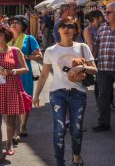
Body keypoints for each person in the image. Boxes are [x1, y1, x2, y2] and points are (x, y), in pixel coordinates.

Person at [34, 16, 97, 166]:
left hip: (78, 93)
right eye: (63, 26)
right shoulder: (50, 50)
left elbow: (94, 70)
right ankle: (59, 163)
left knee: (76, 130)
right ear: (58, 29)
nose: (66, 29)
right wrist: (36, 95)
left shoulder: (82, 47)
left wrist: (81, 67)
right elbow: (44, 74)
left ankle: (76, 156)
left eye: (70, 26)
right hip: (58, 93)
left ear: (75, 30)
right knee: (59, 129)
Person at [0, 24, 28, 164]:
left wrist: (12, 71)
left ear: (6, 36)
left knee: (11, 120)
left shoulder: (15, 51)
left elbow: (25, 69)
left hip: (11, 87)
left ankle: (9, 143)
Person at [8, 15, 41, 140]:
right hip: (10, 74)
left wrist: (25, 57)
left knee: (25, 100)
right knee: (12, 103)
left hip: (24, 74)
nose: (14, 25)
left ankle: (23, 126)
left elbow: (39, 55)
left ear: (23, 26)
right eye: (12, 23)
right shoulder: (7, 38)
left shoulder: (29, 38)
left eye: (17, 23)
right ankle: (15, 131)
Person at [93, 1, 115, 132]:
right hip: (103, 68)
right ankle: (104, 122)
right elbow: (96, 45)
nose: (105, 14)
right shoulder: (102, 28)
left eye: (108, 12)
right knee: (103, 96)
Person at [82, 10, 104, 98]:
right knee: (99, 83)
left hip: (102, 58)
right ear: (96, 18)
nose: (103, 19)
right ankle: (99, 102)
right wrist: (91, 62)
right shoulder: (88, 29)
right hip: (95, 59)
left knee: (102, 83)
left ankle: (106, 102)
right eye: (102, 17)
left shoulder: (101, 28)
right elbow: (91, 46)